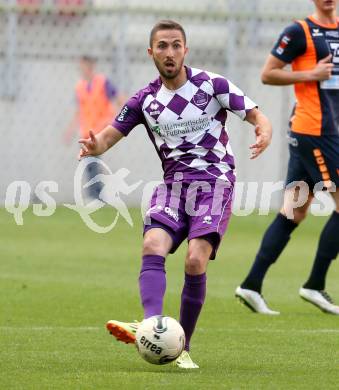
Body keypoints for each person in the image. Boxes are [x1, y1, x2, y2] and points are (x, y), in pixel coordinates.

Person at [78, 20, 272, 368]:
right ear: (150, 52)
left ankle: (182, 347)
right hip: (174, 186)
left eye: (176, 45)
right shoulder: (145, 100)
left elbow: (258, 116)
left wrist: (263, 131)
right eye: (163, 46)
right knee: (153, 244)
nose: (170, 52)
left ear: (186, 49)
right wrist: (95, 146)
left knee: (195, 260)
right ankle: (152, 324)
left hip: (215, 184)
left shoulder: (212, 85)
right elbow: (107, 137)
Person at [236, 0, 339, 315]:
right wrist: (311, 73)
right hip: (315, 130)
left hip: (323, 130)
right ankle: (314, 284)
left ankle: (251, 285)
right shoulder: (299, 31)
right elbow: (268, 74)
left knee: (293, 212)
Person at [64, 55, 122, 199]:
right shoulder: (80, 87)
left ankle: (97, 196)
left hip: (100, 131)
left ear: (90, 66)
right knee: (90, 164)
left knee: (92, 162)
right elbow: (79, 111)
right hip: (86, 132)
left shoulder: (103, 82)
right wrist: (70, 130)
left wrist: (115, 119)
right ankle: (98, 195)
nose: (81, 69)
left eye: (83, 66)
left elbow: (120, 99)